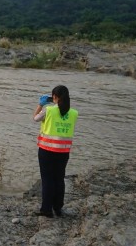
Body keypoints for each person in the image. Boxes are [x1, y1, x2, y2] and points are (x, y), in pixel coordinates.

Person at [32, 85, 79, 218]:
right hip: (63, 152)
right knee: (59, 179)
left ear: (54, 97)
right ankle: (58, 208)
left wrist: (40, 105)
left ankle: (46, 210)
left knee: (47, 180)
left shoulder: (49, 110)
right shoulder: (74, 113)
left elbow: (35, 118)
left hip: (47, 151)